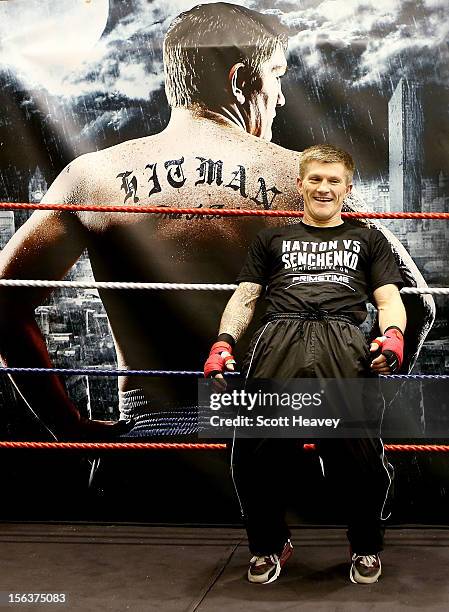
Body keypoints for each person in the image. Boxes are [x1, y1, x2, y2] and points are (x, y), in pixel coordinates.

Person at [0, 3, 432, 440]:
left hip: (150, 446)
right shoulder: (300, 179)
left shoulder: (91, 178)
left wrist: (67, 427)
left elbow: (3, 302)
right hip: (271, 443)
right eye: (277, 76)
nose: (281, 97)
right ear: (243, 81)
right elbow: (415, 301)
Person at [204, 144, 407, 584]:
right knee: (255, 454)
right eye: (315, 178)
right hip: (280, 340)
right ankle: (269, 544)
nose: (324, 187)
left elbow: (389, 297)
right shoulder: (271, 238)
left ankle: (366, 545)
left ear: (347, 188)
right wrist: (222, 343)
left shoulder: (367, 238)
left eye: (334, 180)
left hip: (342, 342)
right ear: (300, 184)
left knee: (359, 458)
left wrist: (392, 335)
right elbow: (246, 296)